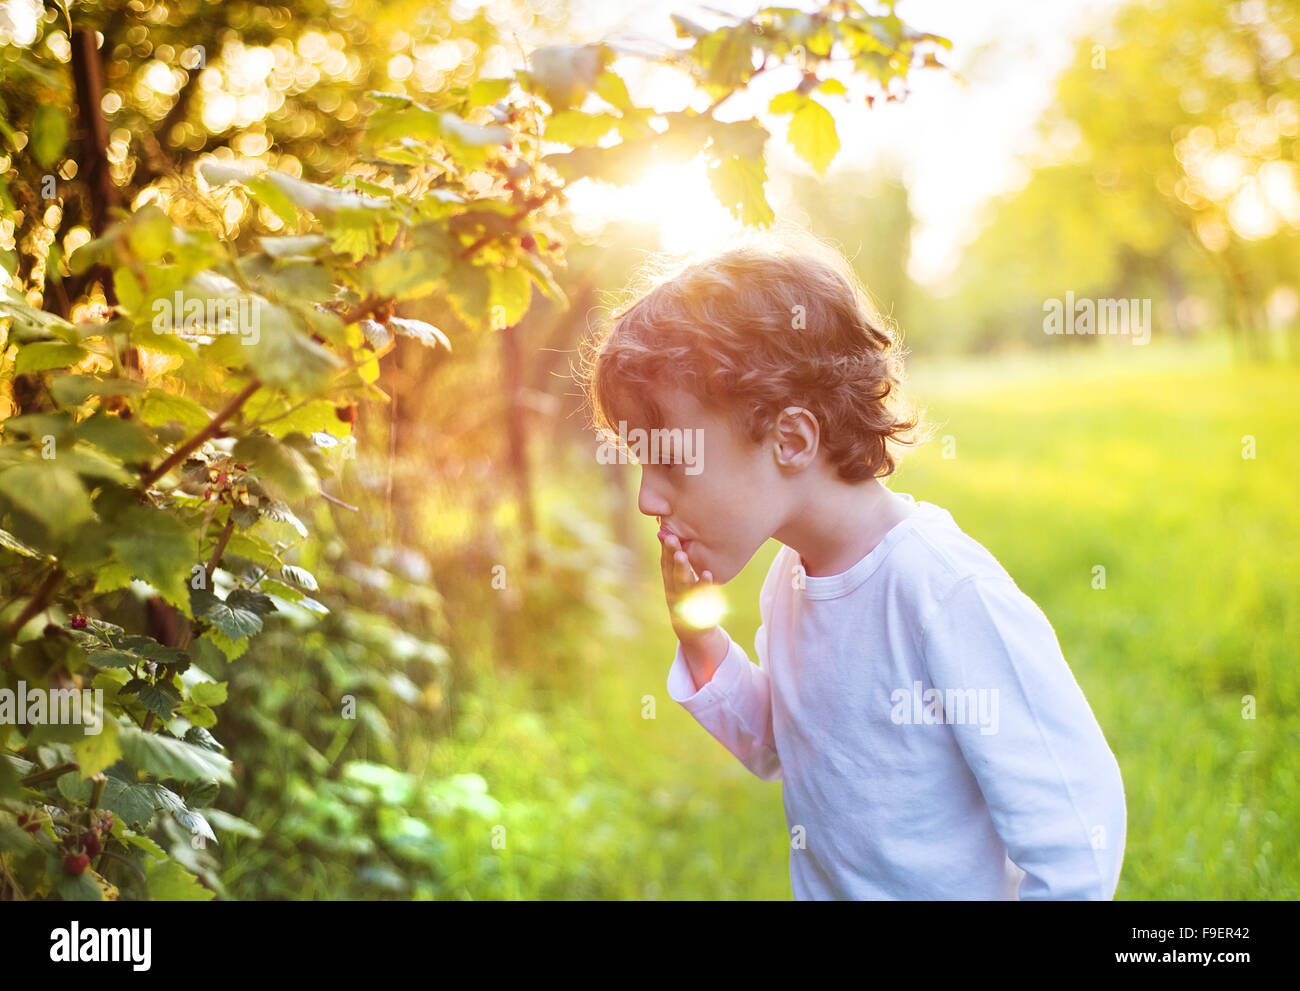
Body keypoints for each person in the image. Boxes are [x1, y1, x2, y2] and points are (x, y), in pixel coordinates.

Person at [578, 227, 1127, 900]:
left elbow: (1075, 831)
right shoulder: (792, 579)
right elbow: (785, 747)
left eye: (669, 460)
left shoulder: (942, 590)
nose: (646, 497)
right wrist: (699, 639)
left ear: (791, 437)